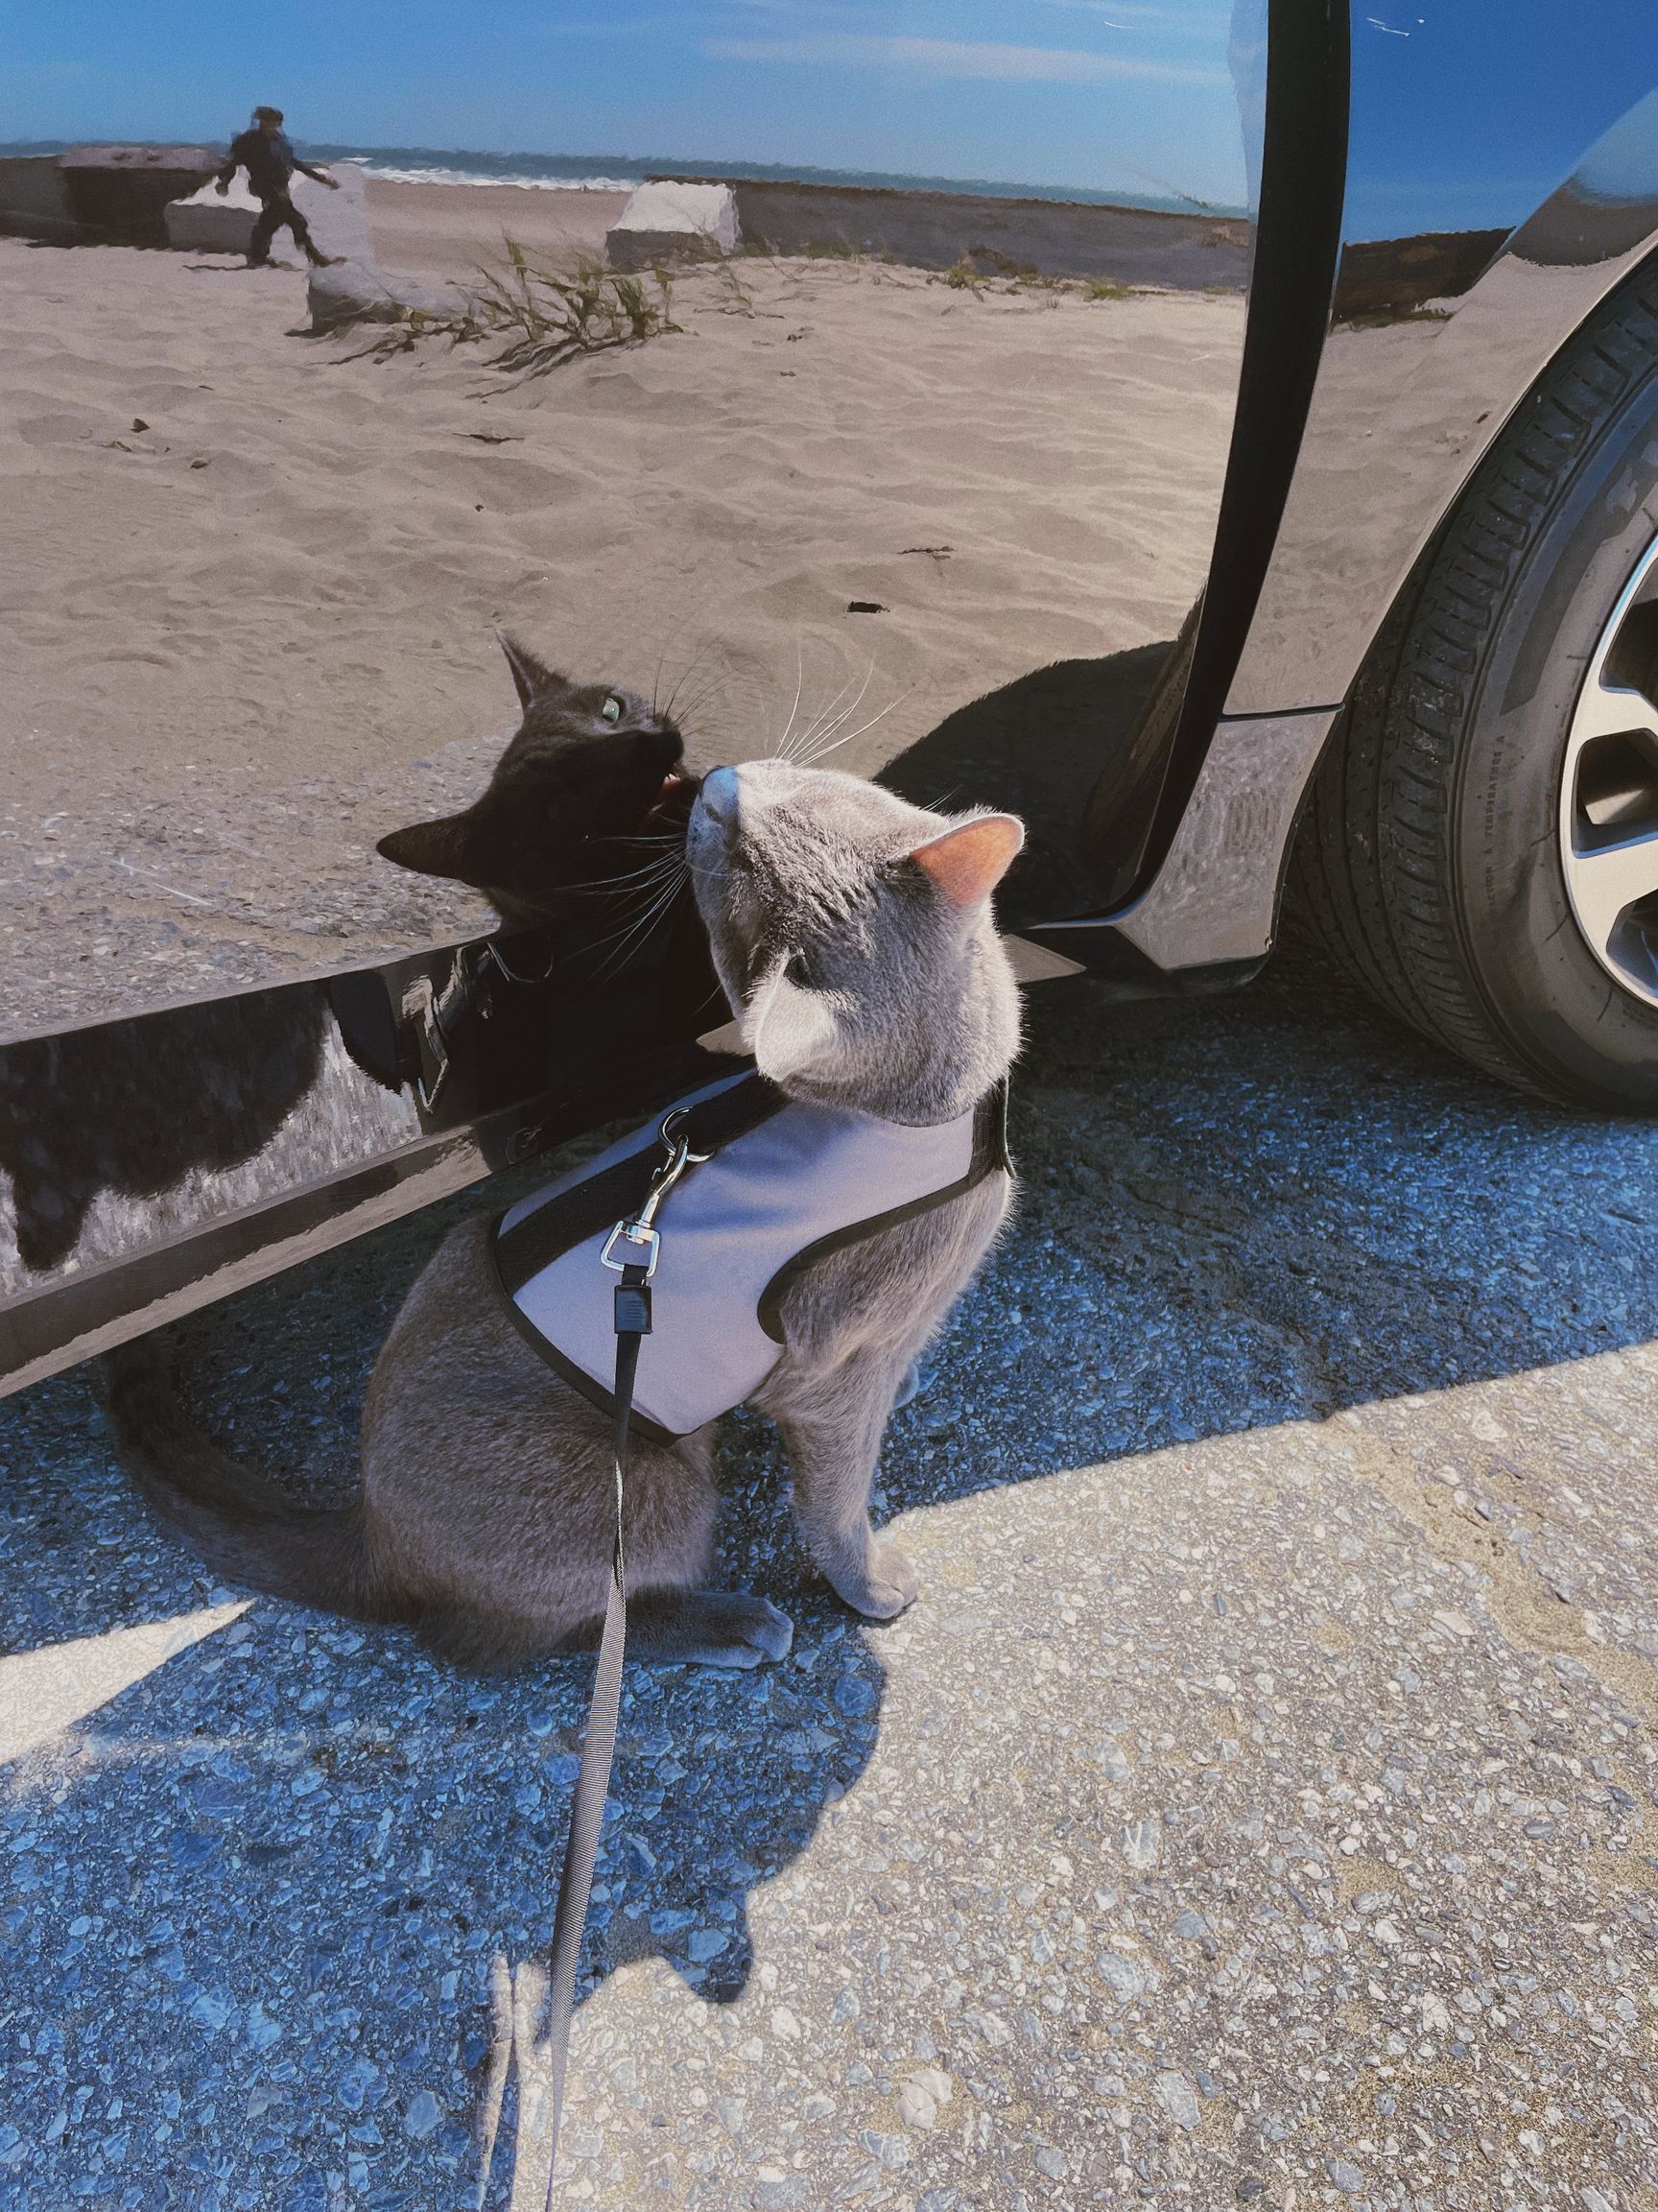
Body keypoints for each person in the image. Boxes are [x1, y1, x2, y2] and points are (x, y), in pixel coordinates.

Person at [215, 107, 341, 271]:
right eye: (272, 121)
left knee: (275, 221)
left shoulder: (277, 140)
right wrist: (224, 182)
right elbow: (233, 162)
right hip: (264, 185)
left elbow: (294, 163)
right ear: (263, 121)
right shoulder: (250, 140)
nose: (276, 125)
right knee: (294, 220)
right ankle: (315, 258)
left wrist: (320, 178)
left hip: (280, 185)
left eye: (278, 122)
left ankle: (257, 257)